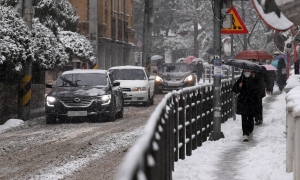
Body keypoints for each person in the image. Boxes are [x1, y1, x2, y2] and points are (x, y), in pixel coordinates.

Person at [232, 69, 260, 141]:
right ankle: (245, 134)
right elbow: (234, 89)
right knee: (244, 117)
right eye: (245, 71)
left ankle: (250, 131)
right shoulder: (241, 79)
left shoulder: (254, 79)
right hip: (243, 101)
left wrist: (254, 79)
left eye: (248, 70)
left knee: (250, 117)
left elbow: (258, 89)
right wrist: (239, 86)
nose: (246, 72)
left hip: (251, 101)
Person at [255, 61, 271, 125]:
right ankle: (258, 118)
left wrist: (268, 88)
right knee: (257, 104)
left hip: (258, 90)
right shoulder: (261, 68)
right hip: (257, 89)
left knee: (258, 104)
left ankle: (258, 118)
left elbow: (266, 78)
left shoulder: (261, 68)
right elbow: (267, 78)